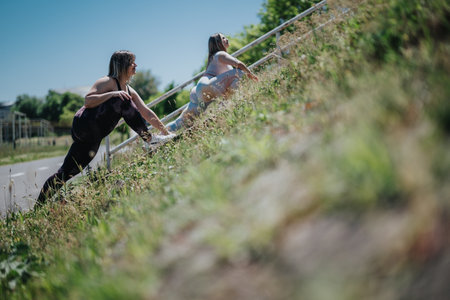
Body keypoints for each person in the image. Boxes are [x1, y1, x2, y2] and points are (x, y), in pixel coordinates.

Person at [36, 50, 175, 206]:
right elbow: (88, 100)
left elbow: (146, 112)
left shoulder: (129, 91)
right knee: (123, 99)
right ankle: (150, 140)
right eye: (132, 62)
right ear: (122, 65)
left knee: (66, 172)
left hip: (94, 136)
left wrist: (166, 131)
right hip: (84, 125)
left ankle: (39, 205)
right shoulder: (108, 81)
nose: (136, 65)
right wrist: (113, 94)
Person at [167, 33, 258, 131]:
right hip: (207, 87)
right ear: (218, 42)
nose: (226, 39)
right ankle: (223, 107)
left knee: (182, 120)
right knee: (239, 73)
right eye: (223, 38)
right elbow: (239, 64)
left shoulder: (212, 58)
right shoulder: (220, 54)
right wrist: (251, 75)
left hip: (198, 91)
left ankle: (164, 132)